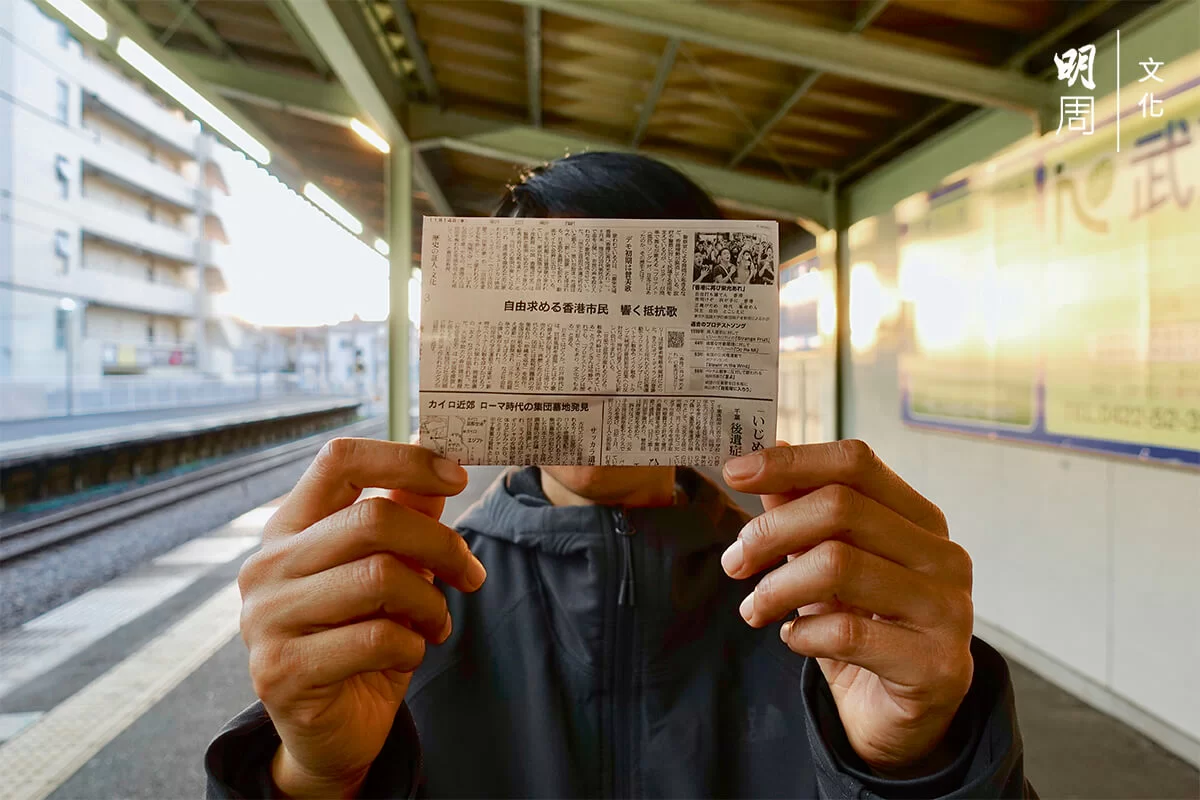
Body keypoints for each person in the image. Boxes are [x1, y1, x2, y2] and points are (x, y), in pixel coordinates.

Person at [206, 153, 1034, 799]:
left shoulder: (822, 606)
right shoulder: (402, 607)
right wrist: (312, 775)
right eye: (551, 313)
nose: (591, 371)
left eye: (632, 309)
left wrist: (919, 758)